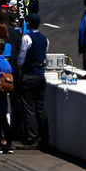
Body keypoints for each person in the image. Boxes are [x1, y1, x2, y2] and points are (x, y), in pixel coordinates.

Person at [17, 15, 48, 148]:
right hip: (40, 75)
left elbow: (21, 58)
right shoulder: (45, 39)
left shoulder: (27, 38)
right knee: (40, 107)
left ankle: (32, 137)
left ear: (28, 23)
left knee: (29, 108)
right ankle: (44, 137)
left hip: (29, 75)